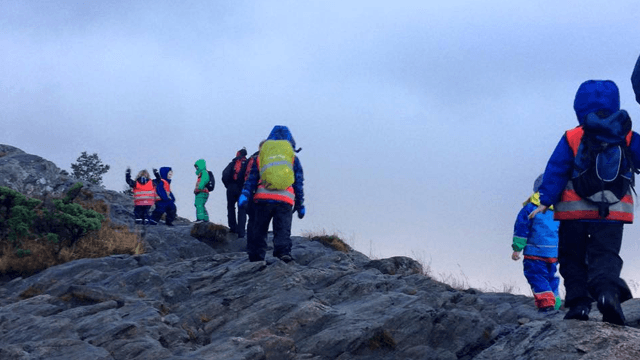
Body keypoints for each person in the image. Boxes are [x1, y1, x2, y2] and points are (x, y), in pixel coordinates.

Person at [529, 80, 640, 325]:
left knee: (572, 257)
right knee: (606, 255)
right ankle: (606, 294)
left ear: (578, 106)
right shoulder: (628, 135)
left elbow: (556, 169)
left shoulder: (572, 136)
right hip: (613, 213)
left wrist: (546, 200)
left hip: (573, 212)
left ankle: (579, 304)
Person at [239, 126, 305, 263]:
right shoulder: (292, 158)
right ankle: (283, 253)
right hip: (285, 199)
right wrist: (300, 204)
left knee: (260, 229)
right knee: (282, 229)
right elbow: (298, 182)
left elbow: (252, 177)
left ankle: (256, 256)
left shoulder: (262, 156)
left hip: (263, 198)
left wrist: (245, 194)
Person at [512, 174, 561, 312]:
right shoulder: (558, 209)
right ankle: (555, 301)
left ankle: (547, 304)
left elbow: (521, 228)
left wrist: (517, 248)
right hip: (553, 254)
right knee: (550, 276)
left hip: (535, 253)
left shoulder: (530, 208)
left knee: (536, 276)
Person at [222, 148, 248, 237]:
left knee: (230, 207)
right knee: (242, 210)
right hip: (243, 188)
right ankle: (241, 232)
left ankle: (233, 228)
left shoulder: (232, 163)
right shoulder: (248, 163)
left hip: (231, 187)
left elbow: (224, 174)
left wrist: (228, 185)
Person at [193, 159, 210, 223]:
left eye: (197, 166)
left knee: (199, 204)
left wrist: (199, 188)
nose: (196, 168)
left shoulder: (204, 173)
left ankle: (200, 219)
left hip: (202, 191)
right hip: (201, 191)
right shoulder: (202, 173)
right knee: (200, 204)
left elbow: (203, 181)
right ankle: (205, 219)